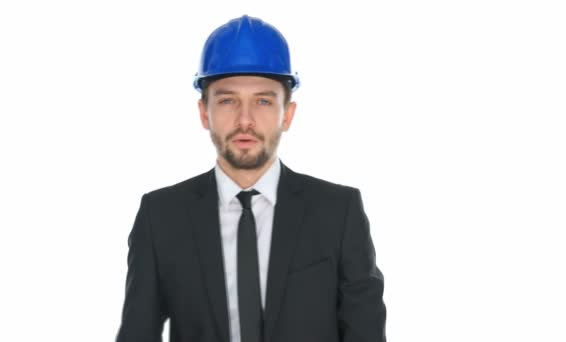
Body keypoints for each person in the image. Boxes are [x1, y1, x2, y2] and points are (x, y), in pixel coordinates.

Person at [115, 14, 386, 342]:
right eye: (228, 100)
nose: (245, 120)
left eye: (263, 101)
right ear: (204, 112)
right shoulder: (161, 217)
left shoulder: (338, 212)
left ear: (287, 113)